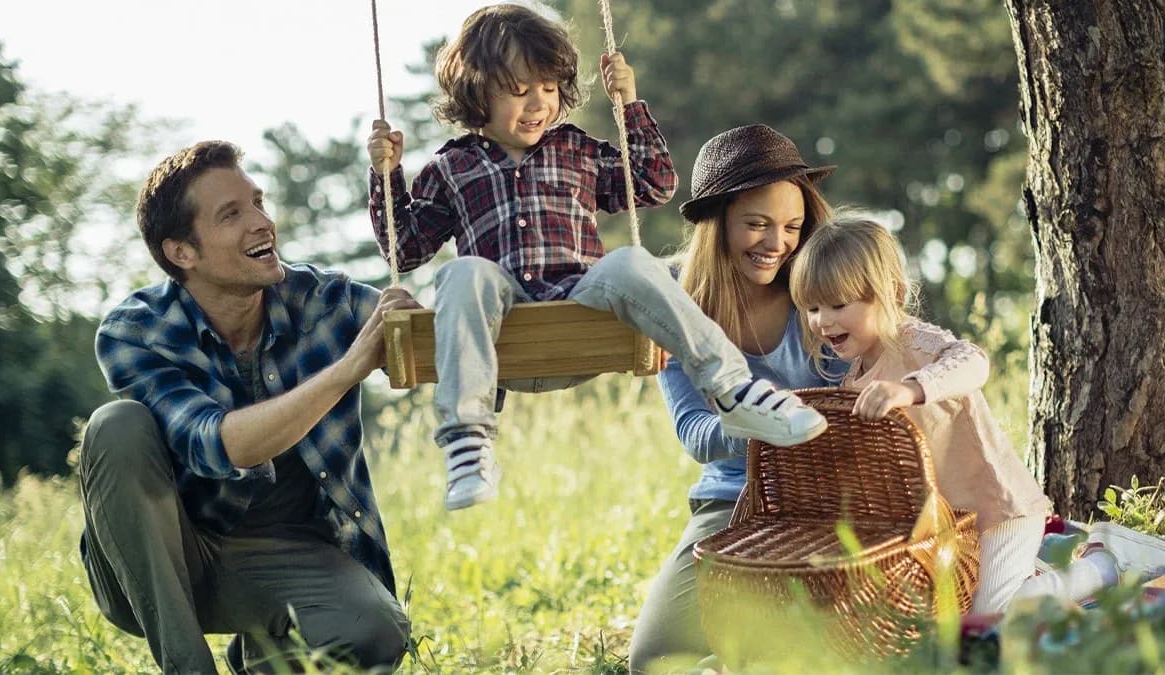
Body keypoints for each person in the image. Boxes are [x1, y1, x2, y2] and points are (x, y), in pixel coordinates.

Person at [367, 4, 828, 512]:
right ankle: (468, 442)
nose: (538, 103)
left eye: (547, 87)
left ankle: (735, 392)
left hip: (580, 310)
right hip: (503, 332)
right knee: (463, 272)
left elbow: (653, 184)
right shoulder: (450, 168)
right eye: (519, 90)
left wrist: (629, 105)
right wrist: (387, 176)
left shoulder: (577, 149)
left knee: (630, 261)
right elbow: (404, 248)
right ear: (477, 91)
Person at [79, 141, 419, 674]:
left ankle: (268, 657)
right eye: (232, 214)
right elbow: (219, 444)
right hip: (166, 559)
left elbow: (433, 344)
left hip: (287, 553)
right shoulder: (136, 331)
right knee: (116, 425)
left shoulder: (325, 300)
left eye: (258, 203)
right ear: (182, 252)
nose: (262, 223)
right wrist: (350, 367)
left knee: (373, 631)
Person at [790, 216, 1165, 614]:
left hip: (998, 509)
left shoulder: (914, 343)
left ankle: (1106, 562)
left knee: (991, 614)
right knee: (954, 614)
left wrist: (910, 389)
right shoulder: (854, 382)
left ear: (892, 294)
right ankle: (1033, 576)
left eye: (837, 304)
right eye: (812, 307)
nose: (822, 320)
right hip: (952, 529)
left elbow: (973, 362)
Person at [628, 124, 846, 673]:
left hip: (828, 500)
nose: (777, 243)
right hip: (730, 499)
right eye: (757, 224)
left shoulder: (820, 293)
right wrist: (760, 418)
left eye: (792, 226)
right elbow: (697, 436)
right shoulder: (674, 305)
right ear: (718, 220)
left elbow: (854, 399)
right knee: (655, 660)